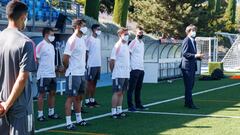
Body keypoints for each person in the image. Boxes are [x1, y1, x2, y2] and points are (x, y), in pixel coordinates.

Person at [0, 1, 36, 135]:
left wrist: (3, 105)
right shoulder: (26, 42)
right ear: (23, 17)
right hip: (19, 108)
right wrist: (8, 104)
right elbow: (22, 78)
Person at [63, 19, 88, 130]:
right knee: (70, 98)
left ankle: (79, 119)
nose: (85, 27)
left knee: (79, 97)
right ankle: (68, 122)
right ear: (77, 26)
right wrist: (69, 68)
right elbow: (65, 58)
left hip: (81, 73)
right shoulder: (72, 40)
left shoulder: (82, 39)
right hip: (73, 74)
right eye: (83, 25)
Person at [36, 27, 61, 121]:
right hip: (43, 74)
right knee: (41, 94)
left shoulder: (51, 46)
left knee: (52, 93)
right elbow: (36, 59)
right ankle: (40, 115)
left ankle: (51, 113)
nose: (53, 36)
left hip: (52, 75)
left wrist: (54, 67)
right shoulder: (40, 45)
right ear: (46, 35)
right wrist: (44, 67)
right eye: (52, 35)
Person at [179, 24, 204, 109]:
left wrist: (199, 57)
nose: (194, 32)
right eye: (193, 31)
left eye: (195, 31)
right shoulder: (186, 40)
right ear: (188, 32)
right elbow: (185, 53)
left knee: (191, 85)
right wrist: (195, 55)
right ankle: (190, 103)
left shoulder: (193, 41)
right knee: (189, 85)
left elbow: (193, 54)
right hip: (187, 67)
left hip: (192, 66)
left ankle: (187, 102)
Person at [109, 27, 130, 119]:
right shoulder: (117, 46)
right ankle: (113, 112)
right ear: (120, 35)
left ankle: (119, 110)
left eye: (127, 34)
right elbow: (112, 60)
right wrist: (114, 71)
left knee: (122, 92)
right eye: (125, 34)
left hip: (125, 73)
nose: (127, 36)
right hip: (118, 73)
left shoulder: (126, 45)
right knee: (117, 92)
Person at [127, 26, 147, 111]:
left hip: (141, 68)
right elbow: (128, 54)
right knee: (131, 88)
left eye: (142, 33)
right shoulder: (133, 42)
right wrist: (130, 67)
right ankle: (130, 106)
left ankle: (138, 104)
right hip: (134, 68)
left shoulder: (142, 43)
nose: (141, 34)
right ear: (136, 33)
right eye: (139, 33)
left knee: (139, 88)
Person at [85, 24, 102, 108]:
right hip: (91, 65)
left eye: (100, 29)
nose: (99, 30)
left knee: (94, 83)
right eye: (98, 29)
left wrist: (99, 65)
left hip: (98, 64)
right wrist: (86, 64)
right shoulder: (89, 39)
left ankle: (92, 99)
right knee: (89, 83)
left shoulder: (98, 40)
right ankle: (87, 100)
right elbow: (86, 52)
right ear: (93, 30)